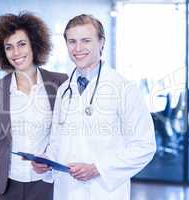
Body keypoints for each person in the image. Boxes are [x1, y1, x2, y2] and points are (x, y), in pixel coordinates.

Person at [32, 14, 156, 200]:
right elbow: (57, 142)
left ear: (101, 42)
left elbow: (144, 146)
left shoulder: (124, 88)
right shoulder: (64, 90)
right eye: (72, 41)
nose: (78, 48)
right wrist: (46, 163)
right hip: (66, 191)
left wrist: (98, 168)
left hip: (104, 192)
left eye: (86, 40)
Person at [0, 12, 68, 200]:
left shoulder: (61, 83)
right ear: (2, 52)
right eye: (9, 47)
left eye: (22, 44)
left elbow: (69, 134)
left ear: (34, 45)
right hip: (7, 186)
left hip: (48, 184)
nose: (16, 53)